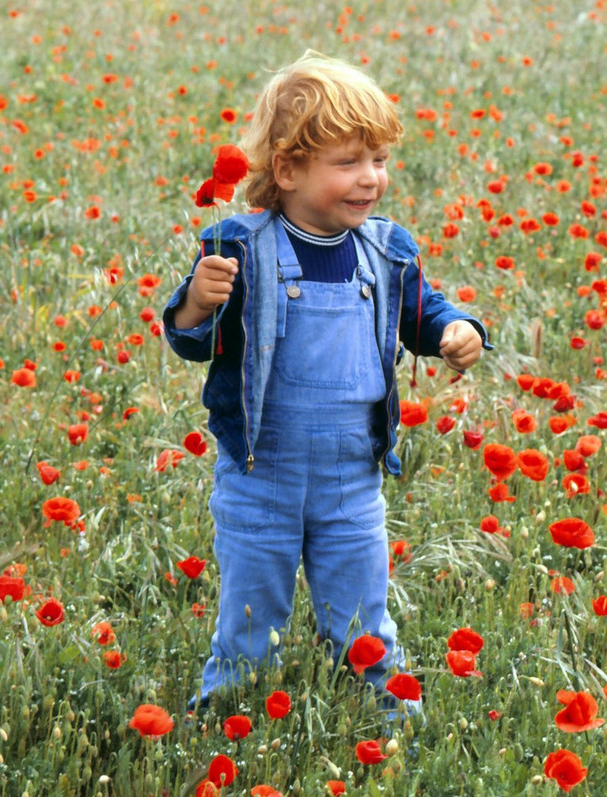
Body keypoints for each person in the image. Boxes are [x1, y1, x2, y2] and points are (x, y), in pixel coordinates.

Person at [164, 51, 488, 713]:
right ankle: (228, 715)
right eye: (349, 163)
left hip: (350, 481)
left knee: (365, 622)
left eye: (379, 160)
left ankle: (393, 722)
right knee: (249, 621)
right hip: (260, 477)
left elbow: (419, 310)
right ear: (286, 170)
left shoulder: (386, 249)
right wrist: (198, 300)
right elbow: (192, 339)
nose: (370, 178)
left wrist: (456, 329)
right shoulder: (238, 249)